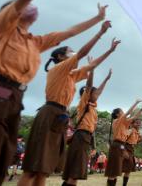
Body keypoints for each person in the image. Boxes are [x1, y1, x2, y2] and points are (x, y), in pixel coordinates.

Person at [0, 0, 108, 185]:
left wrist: (98, 22)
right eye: (19, 8)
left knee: (2, 161)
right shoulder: (1, 28)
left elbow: (70, 32)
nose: (30, 9)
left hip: (14, 99)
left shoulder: (34, 41)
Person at [18, 23, 119, 186]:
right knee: (32, 168)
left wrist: (110, 50)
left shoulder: (71, 75)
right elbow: (82, 54)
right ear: (60, 57)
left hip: (60, 117)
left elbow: (92, 65)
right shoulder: (59, 69)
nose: (73, 53)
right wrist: (100, 32)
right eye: (69, 51)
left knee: (43, 169)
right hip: (50, 113)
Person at [62, 67, 113, 185]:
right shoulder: (84, 102)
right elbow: (89, 86)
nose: (97, 95)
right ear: (88, 94)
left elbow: (98, 91)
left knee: (76, 171)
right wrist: (93, 70)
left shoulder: (92, 107)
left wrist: (106, 79)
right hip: (81, 136)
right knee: (75, 171)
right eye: (94, 93)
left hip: (85, 138)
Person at [105, 100, 142, 186]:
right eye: (121, 111)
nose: (123, 113)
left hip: (120, 145)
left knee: (116, 170)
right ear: (118, 114)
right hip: (117, 144)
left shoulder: (124, 123)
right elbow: (129, 112)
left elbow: (133, 117)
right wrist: (136, 103)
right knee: (113, 170)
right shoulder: (117, 121)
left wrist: (141, 111)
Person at [122, 118, 142, 186]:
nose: (138, 124)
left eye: (139, 123)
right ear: (132, 124)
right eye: (137, 123)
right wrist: (124, 151)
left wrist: (140, 138)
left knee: (128, 168)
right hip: (126, 148)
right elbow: (122, 140)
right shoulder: (130, 130)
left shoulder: (137, 132)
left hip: (131, 150)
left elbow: (135, 141)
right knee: (122, 167)